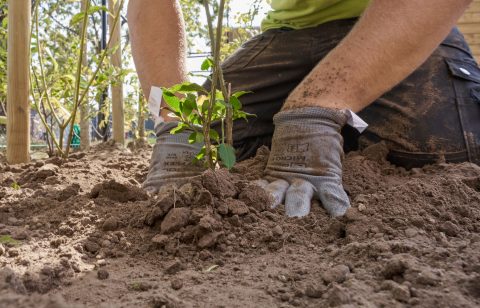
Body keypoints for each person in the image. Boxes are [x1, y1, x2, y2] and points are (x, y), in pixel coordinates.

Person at [127, 0, 480, 217]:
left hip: (393, 20)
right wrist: (176, 120)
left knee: (434, 150)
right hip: (285, 35)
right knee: (217, 135)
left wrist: (318, 104)